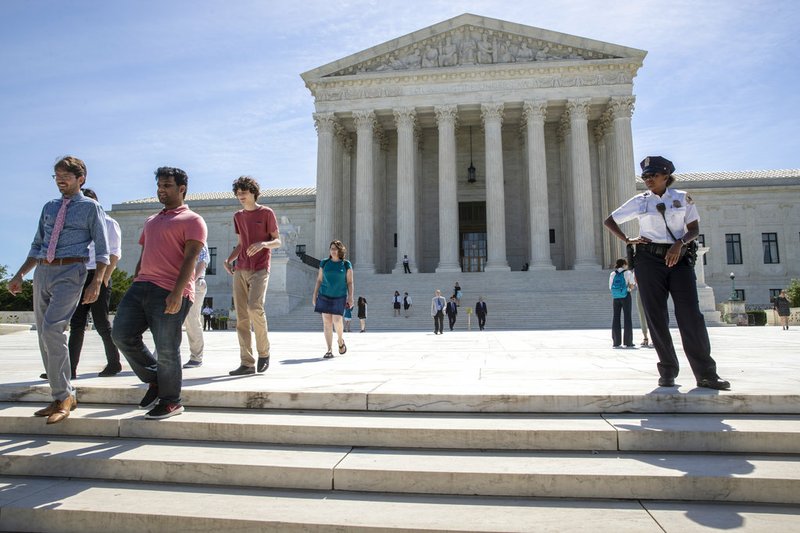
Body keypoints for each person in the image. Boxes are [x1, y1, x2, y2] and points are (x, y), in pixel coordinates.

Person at [604, 155, 731, 390]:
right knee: (656, 316)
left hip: (678, 259)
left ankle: (706, 374)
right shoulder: (640, 201)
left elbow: (694, 229)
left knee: (691, 316)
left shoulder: (682, 198)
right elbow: (610, 220)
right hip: (648, 260)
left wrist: (679, 243)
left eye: (652, 175)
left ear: (666, 176)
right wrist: (627, 240)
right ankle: (667, 371)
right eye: (644, 176)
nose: (648, 180)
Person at [8, 156, 109, 424]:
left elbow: (102, 248)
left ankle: (65, 395)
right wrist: (20, 274)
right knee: (44, 334)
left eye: (66, 175)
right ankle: (60, 396)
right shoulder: (49, 207)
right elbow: (37, 243)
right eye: (57, 176)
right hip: (43, 270)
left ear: (81, 179)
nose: (60, 180)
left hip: (71, 270)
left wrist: (97, 280)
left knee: (54, 328)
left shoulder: (91, 208)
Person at [111, 167, 206, 420]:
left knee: (166, 347)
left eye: (167, 186)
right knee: (121, 334)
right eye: (159, 186)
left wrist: (178, 292)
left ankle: (171, 400)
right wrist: (135, 279)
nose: (161, 191)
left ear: (182, 189)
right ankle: (156, 379)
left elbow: (191, 259)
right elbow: (145, 254)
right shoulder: (151, 220)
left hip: (170, 289)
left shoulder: (193, 220)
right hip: (141, 286)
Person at [224, 176, 281, 376]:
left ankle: (264, 352)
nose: (240, 196)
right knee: (241, 317)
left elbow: (277, 241)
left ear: (253, 193)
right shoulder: (238, 216)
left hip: (260, 267)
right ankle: (246, 363)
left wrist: (263, 244)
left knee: (254, 307)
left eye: (243, 192)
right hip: (241, 268)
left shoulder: (266, 213)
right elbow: (241, 243)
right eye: (238, 193)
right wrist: (229, 259)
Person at [65, 188, 122, 379]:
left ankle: (114, 363)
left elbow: (114, 253)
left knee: (101, 322)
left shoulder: (109, 223)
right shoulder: (75, 224)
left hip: (98, 274)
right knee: (77, 323)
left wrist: (103, 279)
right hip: (77, 275)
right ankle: (70, 368)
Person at [312, 240, 354, 358]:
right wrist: (314, 294)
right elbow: (319, 279)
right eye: (331, 248)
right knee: (326, 322)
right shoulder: (324, 263)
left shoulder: (346, 264)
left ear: (340, 251)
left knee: (337, 320)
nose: (333, 251)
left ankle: (340, 340)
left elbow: (350, 282)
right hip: (324, 294)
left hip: (339, 295)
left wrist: (350, 297)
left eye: (335, 249)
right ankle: (329, 349)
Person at [182, 245, 209, 368]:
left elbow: (202, 262)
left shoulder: (198, 236)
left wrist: (190, 282)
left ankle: (196, 357)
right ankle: (160, 355)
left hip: (195, 284)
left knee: (191, 319)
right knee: (167, 318)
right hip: (177, 281)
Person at [609, 258, 635, 349]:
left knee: (616, 317)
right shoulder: (628, 273)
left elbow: (610, 286)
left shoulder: (612, 274)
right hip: (626, 296)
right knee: (627, 317)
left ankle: (616, 342)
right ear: (624, 264)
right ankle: (628, 342)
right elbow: (632, 284)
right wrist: (629, 289)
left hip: (616, 297)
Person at [631, 271, 652, 347]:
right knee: (643, 314)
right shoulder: (636, 269)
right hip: (643, 290)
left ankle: (649, 338)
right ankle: (647, 338)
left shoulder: (638, 269)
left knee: (647, 314)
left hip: (646, 290)